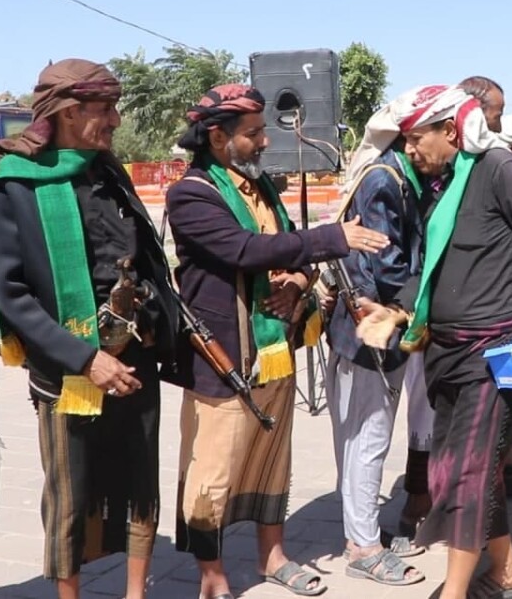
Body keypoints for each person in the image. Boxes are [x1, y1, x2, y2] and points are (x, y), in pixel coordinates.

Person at [355, 84, 512, 599]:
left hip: (495, 354)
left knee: (466, 472)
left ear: (450, 131)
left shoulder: (500, 171)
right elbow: (439, 270)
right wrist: (395, 311)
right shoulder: (442, 184)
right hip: (445, 354)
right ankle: (506, 573)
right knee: (454, 470)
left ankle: (452, 591)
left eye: (416, 139)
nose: (409, 151)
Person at [166, 84, 388, 599]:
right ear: (218, 137)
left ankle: (273, 557)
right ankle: (213, 576)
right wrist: (333, 237)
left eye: (264, 130)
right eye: (254, 133)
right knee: (212, 471)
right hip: (221, 355)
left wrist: (298, 284)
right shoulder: (192, 192)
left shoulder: (261, 187)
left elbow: (287, 252)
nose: (265, 141)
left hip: (274, 349)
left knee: (273, 459)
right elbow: (245, 250)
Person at [0, 59, 181, 599]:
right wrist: (86, 357)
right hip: (69, 371)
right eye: (104, 109)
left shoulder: (108, 172)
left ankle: (136, 593)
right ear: (68, 112)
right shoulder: (13, 186)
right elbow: (10, 294)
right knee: (70, 494)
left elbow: (149, 258)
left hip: (135, 357)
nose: (115, 120)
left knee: (141, 482)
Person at [322, 107, 439, 587]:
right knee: (367, 440)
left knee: (357, 440)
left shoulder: (393, 174)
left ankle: (359, 533)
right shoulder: (386, 181)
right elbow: (389, 263)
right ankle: (365, 546)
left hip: (369, 328)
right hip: (372, 330)